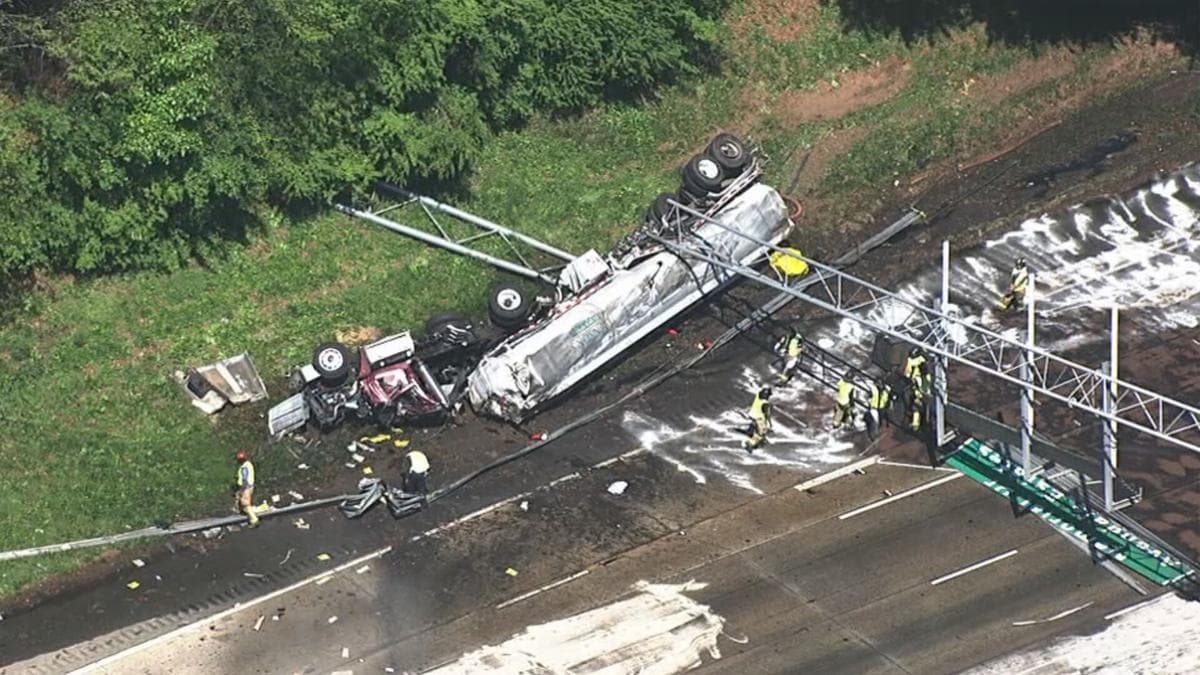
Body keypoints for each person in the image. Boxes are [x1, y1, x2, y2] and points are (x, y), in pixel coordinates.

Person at [743, 386, 773, 451]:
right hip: (758, 418)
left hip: (758, 419)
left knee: (760, 403)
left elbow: (752, 430)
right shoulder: (756, 437)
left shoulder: (755, 437)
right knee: (761, 403)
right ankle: (766, 390)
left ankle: (766, 390)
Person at [235, 450, 259, 527]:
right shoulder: (249, 464)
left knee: (245, 503)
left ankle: (254, 520)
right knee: (244, 504)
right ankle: (252, 515)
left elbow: (245, 478)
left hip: (246, 487)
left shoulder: (244, 467)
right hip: (250, 485)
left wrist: (243, 489)